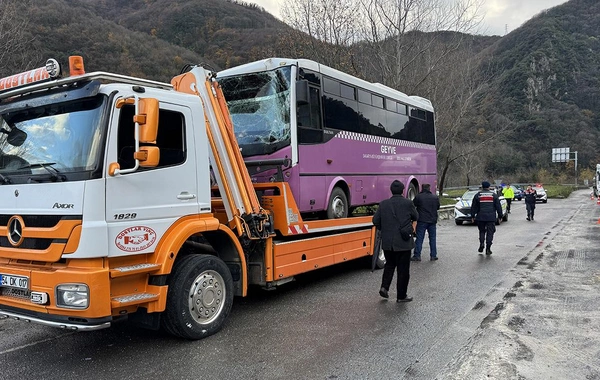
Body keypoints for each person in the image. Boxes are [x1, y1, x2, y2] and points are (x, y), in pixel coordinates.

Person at [373, 180, 418, 302]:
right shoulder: (408, 203)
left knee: (389, 265)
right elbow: (416, 217)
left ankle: (384, 287)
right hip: (403, 242)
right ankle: (401, 296)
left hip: (388, 242)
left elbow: (375, 221)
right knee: (403, 270)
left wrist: (386, 229)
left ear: (391, 190)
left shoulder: (383, 204)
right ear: (403, 191)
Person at [471, 181, 503, 255]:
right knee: (490, 232)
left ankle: (482, 243)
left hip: (480, 217)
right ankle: (488, 248)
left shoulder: (477, 195)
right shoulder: (494, 195)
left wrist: (472, 216)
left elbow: (474, 207)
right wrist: (500, 216)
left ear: (482, 187)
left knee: (482, 231)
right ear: (489, 187)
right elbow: (498, 206)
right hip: (491, 217)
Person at [411, 183, 440, 261]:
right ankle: (433, 255)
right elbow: (438, 207)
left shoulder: (418, 197)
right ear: (429, 188)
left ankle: (417, 255)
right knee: (432, 238)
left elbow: (413, 205)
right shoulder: (434, 197)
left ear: (422, 188)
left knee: (419, 238)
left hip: (422, 220)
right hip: (432, 220)